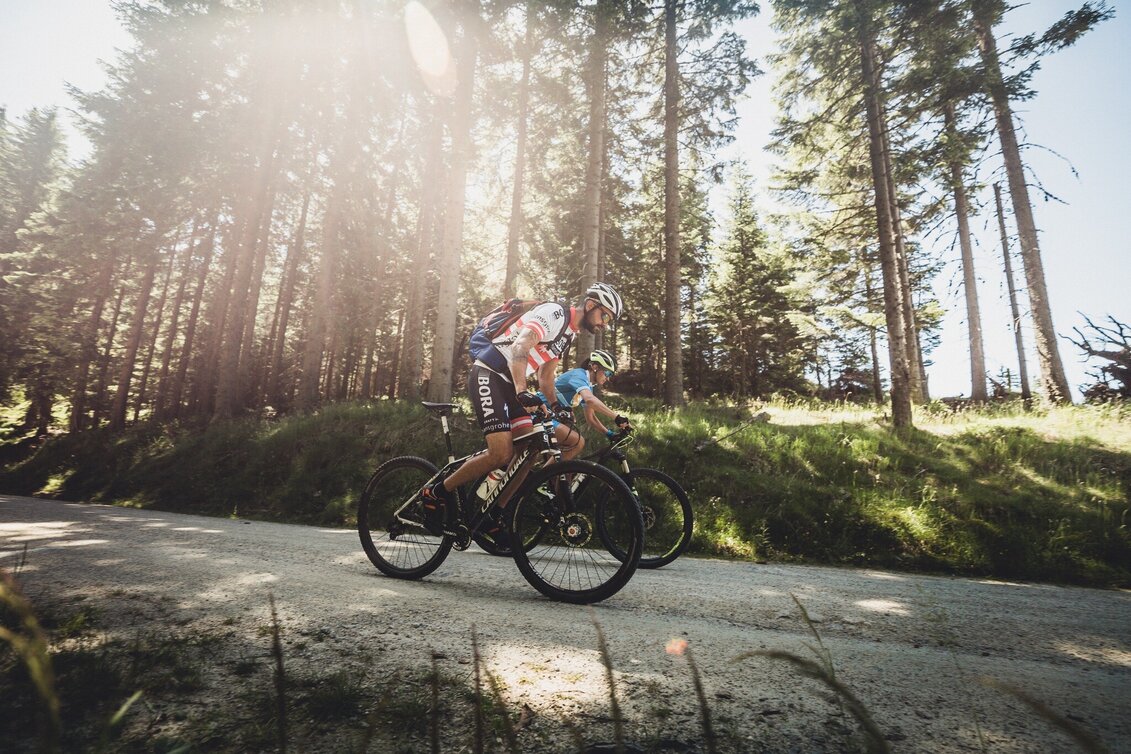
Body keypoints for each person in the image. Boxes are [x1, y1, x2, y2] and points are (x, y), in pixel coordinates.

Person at [419, 282, 624, 541]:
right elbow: (520, 346)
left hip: (511, 384)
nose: (605, 323)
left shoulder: (567, 335)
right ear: (591, 304)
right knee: (501, 452)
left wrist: (558, 407)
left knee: (530, 449)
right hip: (490, 374)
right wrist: (521, 391)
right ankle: (436, 492)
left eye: (609, 320)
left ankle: (494, 516)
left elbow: (546, 378)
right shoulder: (555, 314)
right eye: (605, 315)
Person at [550, 349, 632, 449]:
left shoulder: (588, 386)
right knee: (577, 443)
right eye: (607, 373)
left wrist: (609, 434)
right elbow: (590, 400)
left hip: (551, 416)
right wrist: (616, 417)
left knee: (563, 449)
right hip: (538, 411)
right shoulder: (579, 375)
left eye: (610, 375)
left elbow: (591, 418)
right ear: (594, 367)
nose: (608, 378)